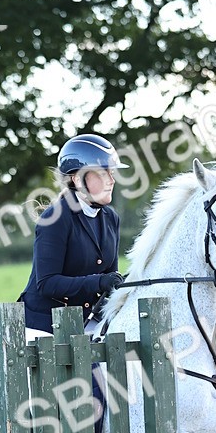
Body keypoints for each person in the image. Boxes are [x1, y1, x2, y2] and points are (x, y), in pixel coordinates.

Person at [19, 133, 127, 337]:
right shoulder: (55, 218)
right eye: (103, 174)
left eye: (111, 173)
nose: (111, 180)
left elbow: (108, 280)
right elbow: (47, 283)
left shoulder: (111, 218)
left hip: (85, 322)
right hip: (44, 326)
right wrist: (99, 281)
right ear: (77, 179)